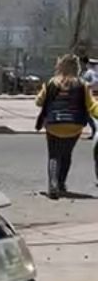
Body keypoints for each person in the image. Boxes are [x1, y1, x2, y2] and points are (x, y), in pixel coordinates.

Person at [35, 54, 98, 199]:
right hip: (74, 126)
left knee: (54, 155)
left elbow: (39, 102)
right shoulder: (82, 85)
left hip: (54, 125)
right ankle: (62, 183)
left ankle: (53, 186)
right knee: (66, 154)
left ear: (60, 66)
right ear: (77, 67)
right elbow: (92, 106)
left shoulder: (52, 82)